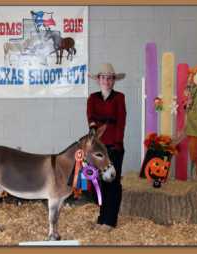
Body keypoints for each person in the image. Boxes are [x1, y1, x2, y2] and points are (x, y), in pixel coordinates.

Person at [87, 63, 126, 231]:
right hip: (98, 147)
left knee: (113, 183)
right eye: (103, 78)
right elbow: (90, 117)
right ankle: (101, 218)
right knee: (101, 184)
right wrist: (94, 129)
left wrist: (116, 144)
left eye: (110, 78)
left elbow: (121, 122)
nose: (106, 81)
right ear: (99, 80)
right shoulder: (93, 98)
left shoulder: (119, 97)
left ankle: (110, 220)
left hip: (113, 146)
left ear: (113, 81)